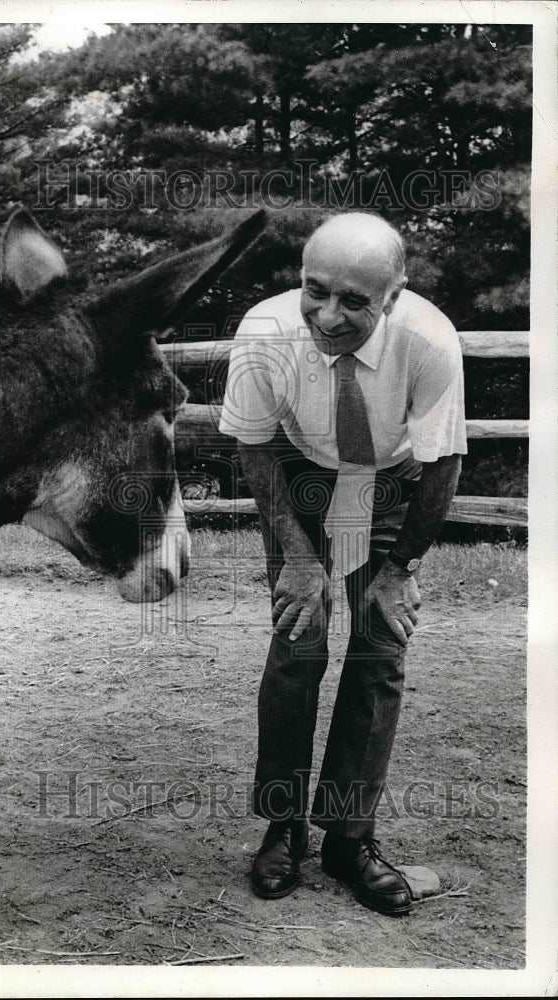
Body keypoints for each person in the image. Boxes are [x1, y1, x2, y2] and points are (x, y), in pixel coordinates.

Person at [219, 212, 467, 916]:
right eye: (315, 290)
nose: (329, 315)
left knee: (380, 647)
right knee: (299, 638)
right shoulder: (265, 333)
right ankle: (283, 824)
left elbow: (442, 461)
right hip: (297, 469)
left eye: (355, 301)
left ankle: (350, 838)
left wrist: (399, 570)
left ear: (394, 294)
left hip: (388, 478)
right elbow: (254, 447)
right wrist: (298, 557)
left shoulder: (429, 341)